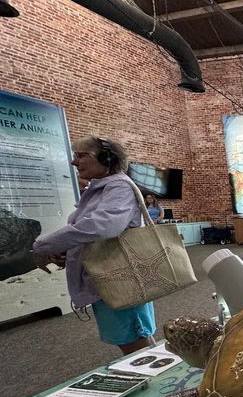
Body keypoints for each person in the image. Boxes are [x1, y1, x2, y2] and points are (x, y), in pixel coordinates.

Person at [31, 136, 157, 355]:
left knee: (136, 345)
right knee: (135, 342)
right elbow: (94, 233)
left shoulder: (119, 187)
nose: (74, 162)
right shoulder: (102, 188)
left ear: (107, 158)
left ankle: (164, 387)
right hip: (106, 279)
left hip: (119, 280)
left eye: (81, 155)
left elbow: (101, 227)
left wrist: (43, 245)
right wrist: (69, 251)